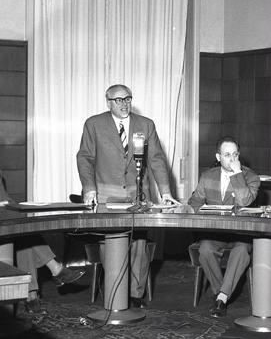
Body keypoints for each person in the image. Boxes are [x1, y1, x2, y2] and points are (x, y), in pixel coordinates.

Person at [0, 139, 84, 314]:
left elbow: (10, 204)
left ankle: (33, 294)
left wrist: (14, 206)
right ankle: (50, 275)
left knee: (23, 235)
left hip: (2, 229)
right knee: (23, 236)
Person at [76, 84, 179, 308]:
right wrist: (89, 189)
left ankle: (134, 294)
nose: (124, 104)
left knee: (139, 245)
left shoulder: (146, 124)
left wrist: (166, 192)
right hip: (107, 195)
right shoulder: (94, 124)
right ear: (108, 103)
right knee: (110, 244)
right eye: (119, 100)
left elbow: (157, 160)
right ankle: (115, 290)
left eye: (128, 99)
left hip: (137, 195)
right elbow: (85, 158)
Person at [188, 136, 260, 317]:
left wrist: (237, 174)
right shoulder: (207, 176)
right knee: (205, 250)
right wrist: (204, 213)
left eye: (235, 154)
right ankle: (222, 292)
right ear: (218, 157)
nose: (232, 159)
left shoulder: (251, 177)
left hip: (241, 235)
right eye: (227, 155)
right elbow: (194, 202)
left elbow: (245, 201)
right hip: (215, 233)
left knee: (241, 251)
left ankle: (221, 298)